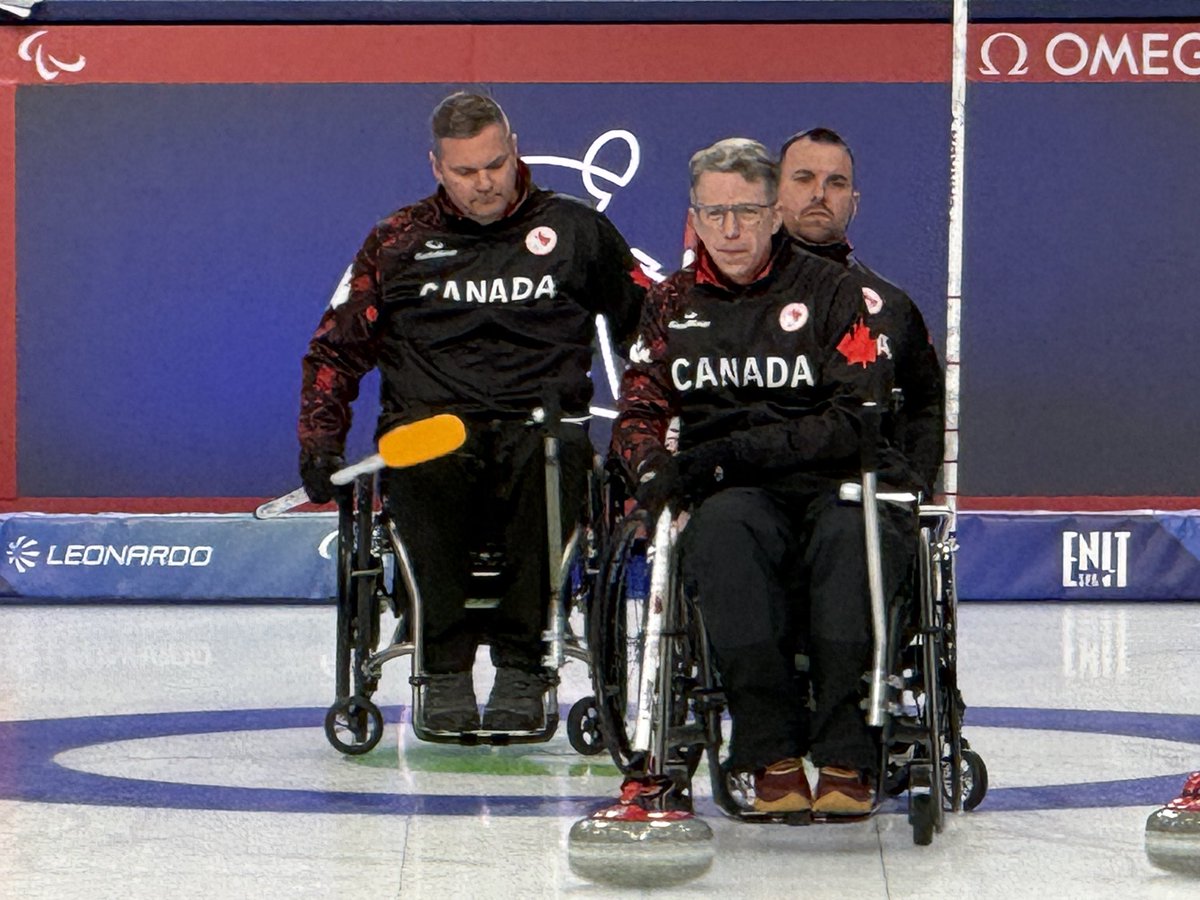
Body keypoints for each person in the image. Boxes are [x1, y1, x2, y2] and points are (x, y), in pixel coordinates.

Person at [297, 92, 646, 733]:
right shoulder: (398, 241)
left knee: (547, 459)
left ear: (513, 150)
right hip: (432, 428)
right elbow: (334, 349)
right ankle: (443, 667)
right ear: (437, 167)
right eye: (466, 172)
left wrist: (639, 433)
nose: (484, 184)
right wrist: (320, 441)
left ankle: (524, 666)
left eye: (496, 164)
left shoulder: (575, 231)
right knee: (428, 458)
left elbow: (648, 337)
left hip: (542, 424)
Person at [607, 138, 913, 820]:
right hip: (734, 497)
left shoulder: (835, 293)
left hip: (832, 479)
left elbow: (853, 420)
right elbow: (635, 413)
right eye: (714, 213)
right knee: (723, 531)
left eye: (746, 211)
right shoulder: (670, 303)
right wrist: (652, 464)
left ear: (775, 212)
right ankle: (768, 752)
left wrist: (724, 456)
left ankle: (846, 753)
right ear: (694, 217)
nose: (731, 229)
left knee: (848, 541)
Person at [778, 127, 944, 497]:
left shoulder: (892, 307)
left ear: (854, 202)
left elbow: (924, 407)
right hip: (759, 495)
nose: (819, 194)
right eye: (804, 178)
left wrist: (912, 489)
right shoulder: (738, 295)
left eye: (835, 183)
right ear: (774, 193)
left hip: (860, 499)